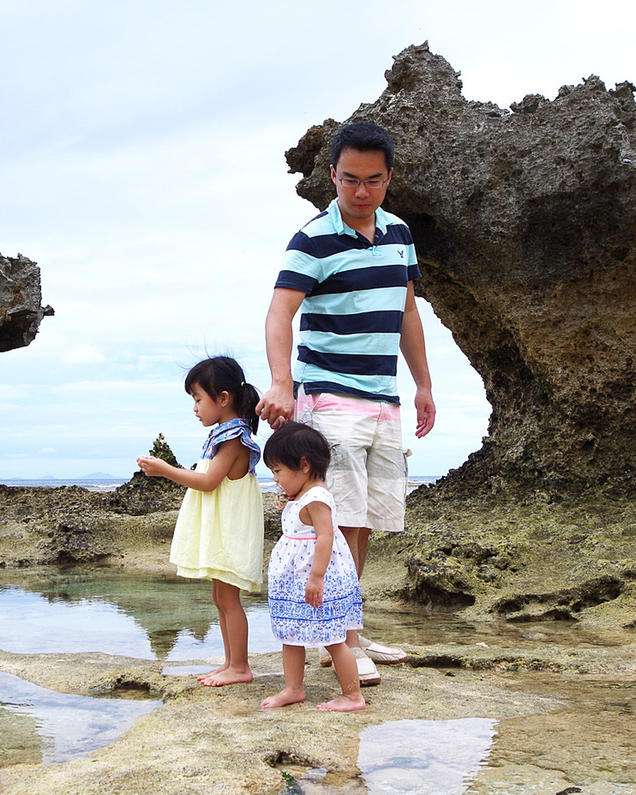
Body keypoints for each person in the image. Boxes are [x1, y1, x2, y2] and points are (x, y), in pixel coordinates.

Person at [257, 121, 436, 682]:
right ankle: (345, 642)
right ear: (332, 174)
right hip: (330, 395)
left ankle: (350, 628)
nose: (361, 192)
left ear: (389, 178)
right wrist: (281, 383)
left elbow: (408, 313)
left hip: (383, 400)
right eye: (350, 180)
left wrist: (423, 384)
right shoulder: (312, 239)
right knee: (342, 516)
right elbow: (280, 312)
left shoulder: (400, 233)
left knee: (366, 521)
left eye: (374, 181)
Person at [137, 356, 265, 686]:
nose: (195, 408)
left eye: (198, 399)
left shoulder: (235, 436)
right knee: (220, 598)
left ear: (223, 398)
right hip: (221, 526)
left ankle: (240, 667)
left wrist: (165, 469)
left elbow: (208, 482)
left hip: (229, 528)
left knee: (229, 598)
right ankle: (230, 662)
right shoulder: (223, 434)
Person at [260, 422, 366, 712]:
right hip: (297, 580)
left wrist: (317, 576)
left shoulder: (318, 498)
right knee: (290, 635)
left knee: (333, 639)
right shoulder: (304, 495)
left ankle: (353, 695)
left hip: (317, 581)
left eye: (279, 471)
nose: (276, 478)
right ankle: (293, 688)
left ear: (303, 465)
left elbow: (325, 536)